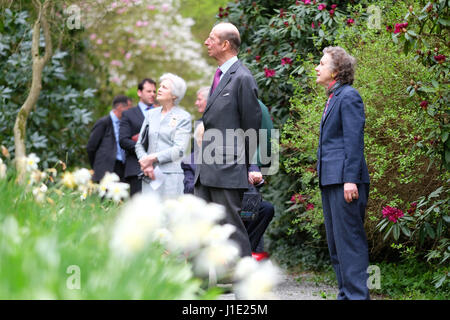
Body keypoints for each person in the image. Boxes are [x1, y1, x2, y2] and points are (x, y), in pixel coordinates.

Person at [194, 22, 262, 258]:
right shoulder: (220, 76)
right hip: (206, 170)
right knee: (200, 229)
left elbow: (251, 127)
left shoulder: (242, 78)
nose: (206, 42)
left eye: (211, 38)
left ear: (225, 44)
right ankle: (199, 288)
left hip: (228, 169)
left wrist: (240, 165)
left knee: (233, 231)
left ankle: (245, 286)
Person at [315, 46, 371, 300]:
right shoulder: (333, 97)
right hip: (331, 181)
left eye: (322, 63)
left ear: (336, 71)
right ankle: (346, 296)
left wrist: (350, 179)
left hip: (345, 182)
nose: (317, 67)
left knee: (350, 243)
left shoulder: (349, 96)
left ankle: (357, 296)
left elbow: (353, 141)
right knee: (337, 245)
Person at [135, 73, 192, 198]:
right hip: (149, 175)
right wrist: (146, 163)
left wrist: (152, 158)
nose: (159, 90)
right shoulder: (150, 114)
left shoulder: (184, 117)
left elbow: (179, 150)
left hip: (171, 177)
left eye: (164, 87)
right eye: (160, 86)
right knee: (149, 215)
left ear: (174, 95)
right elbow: (139, 144)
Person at [119, 78, 157, 196]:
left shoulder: (160, 113)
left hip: (157, 170)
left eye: (154, 91)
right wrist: (143, 148)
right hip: (136, 169)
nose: (152, 94)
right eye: (148, 91)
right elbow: (123, 140)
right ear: (139, 93)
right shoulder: (128, 114)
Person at [86, 95, 131, 183]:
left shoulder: (125, 124)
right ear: (120, 107)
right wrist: (97, 167)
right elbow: (91, 147)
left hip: (122, 168)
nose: (130, 111)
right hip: (106, 169)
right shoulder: (103, 122)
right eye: (129, 108)